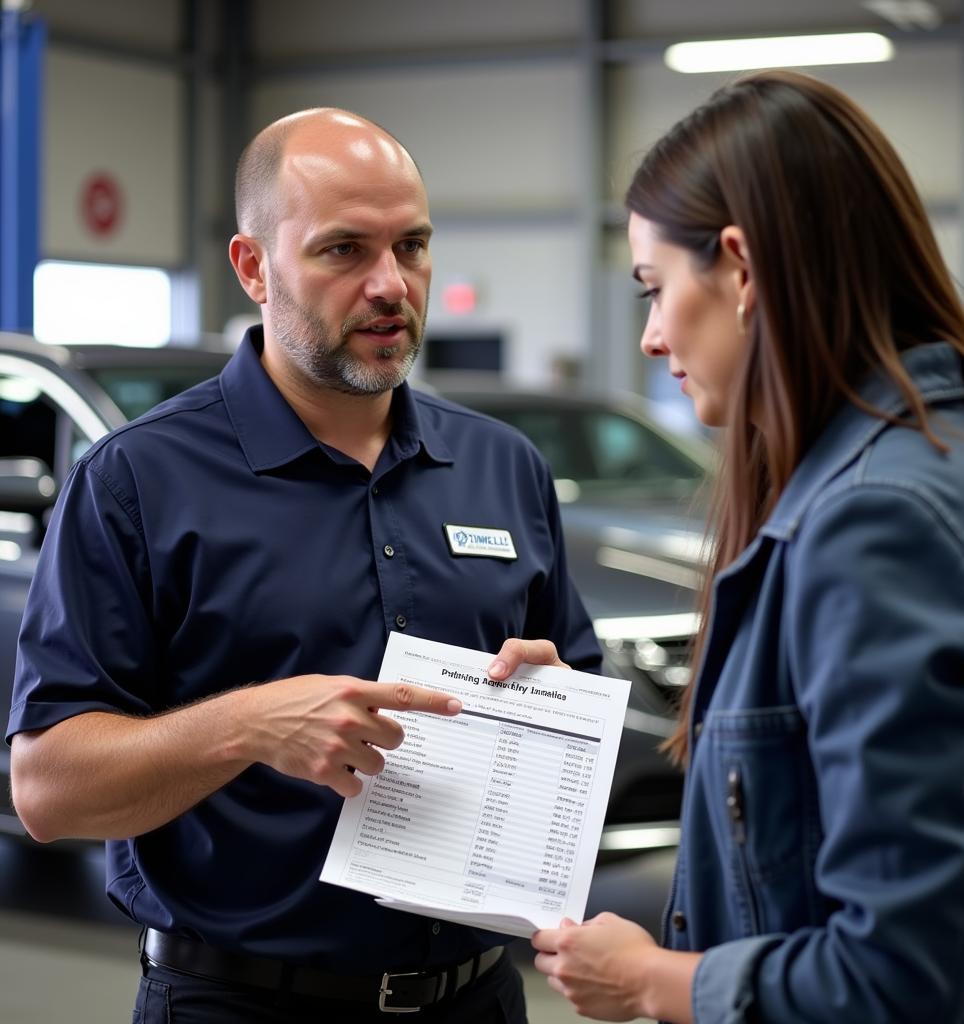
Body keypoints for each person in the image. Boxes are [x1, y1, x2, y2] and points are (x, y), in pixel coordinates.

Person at [7, 108, 602, 1022]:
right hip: (241, 1003)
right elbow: (48, 791)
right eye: (342, 251)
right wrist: (250, 724)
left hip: (475, 1002)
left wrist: (553, 708)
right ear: (253, 267)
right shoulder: (138, 481)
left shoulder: (503, 466)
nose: (390, 284)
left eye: (412, 245)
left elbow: (579, 696)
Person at [499, 70, 964, 1022]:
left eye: (656, 290)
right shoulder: (909, 468)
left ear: (740, 269)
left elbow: (897, 973)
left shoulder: (879, 519)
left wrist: (656, 981)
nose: (653, 337)